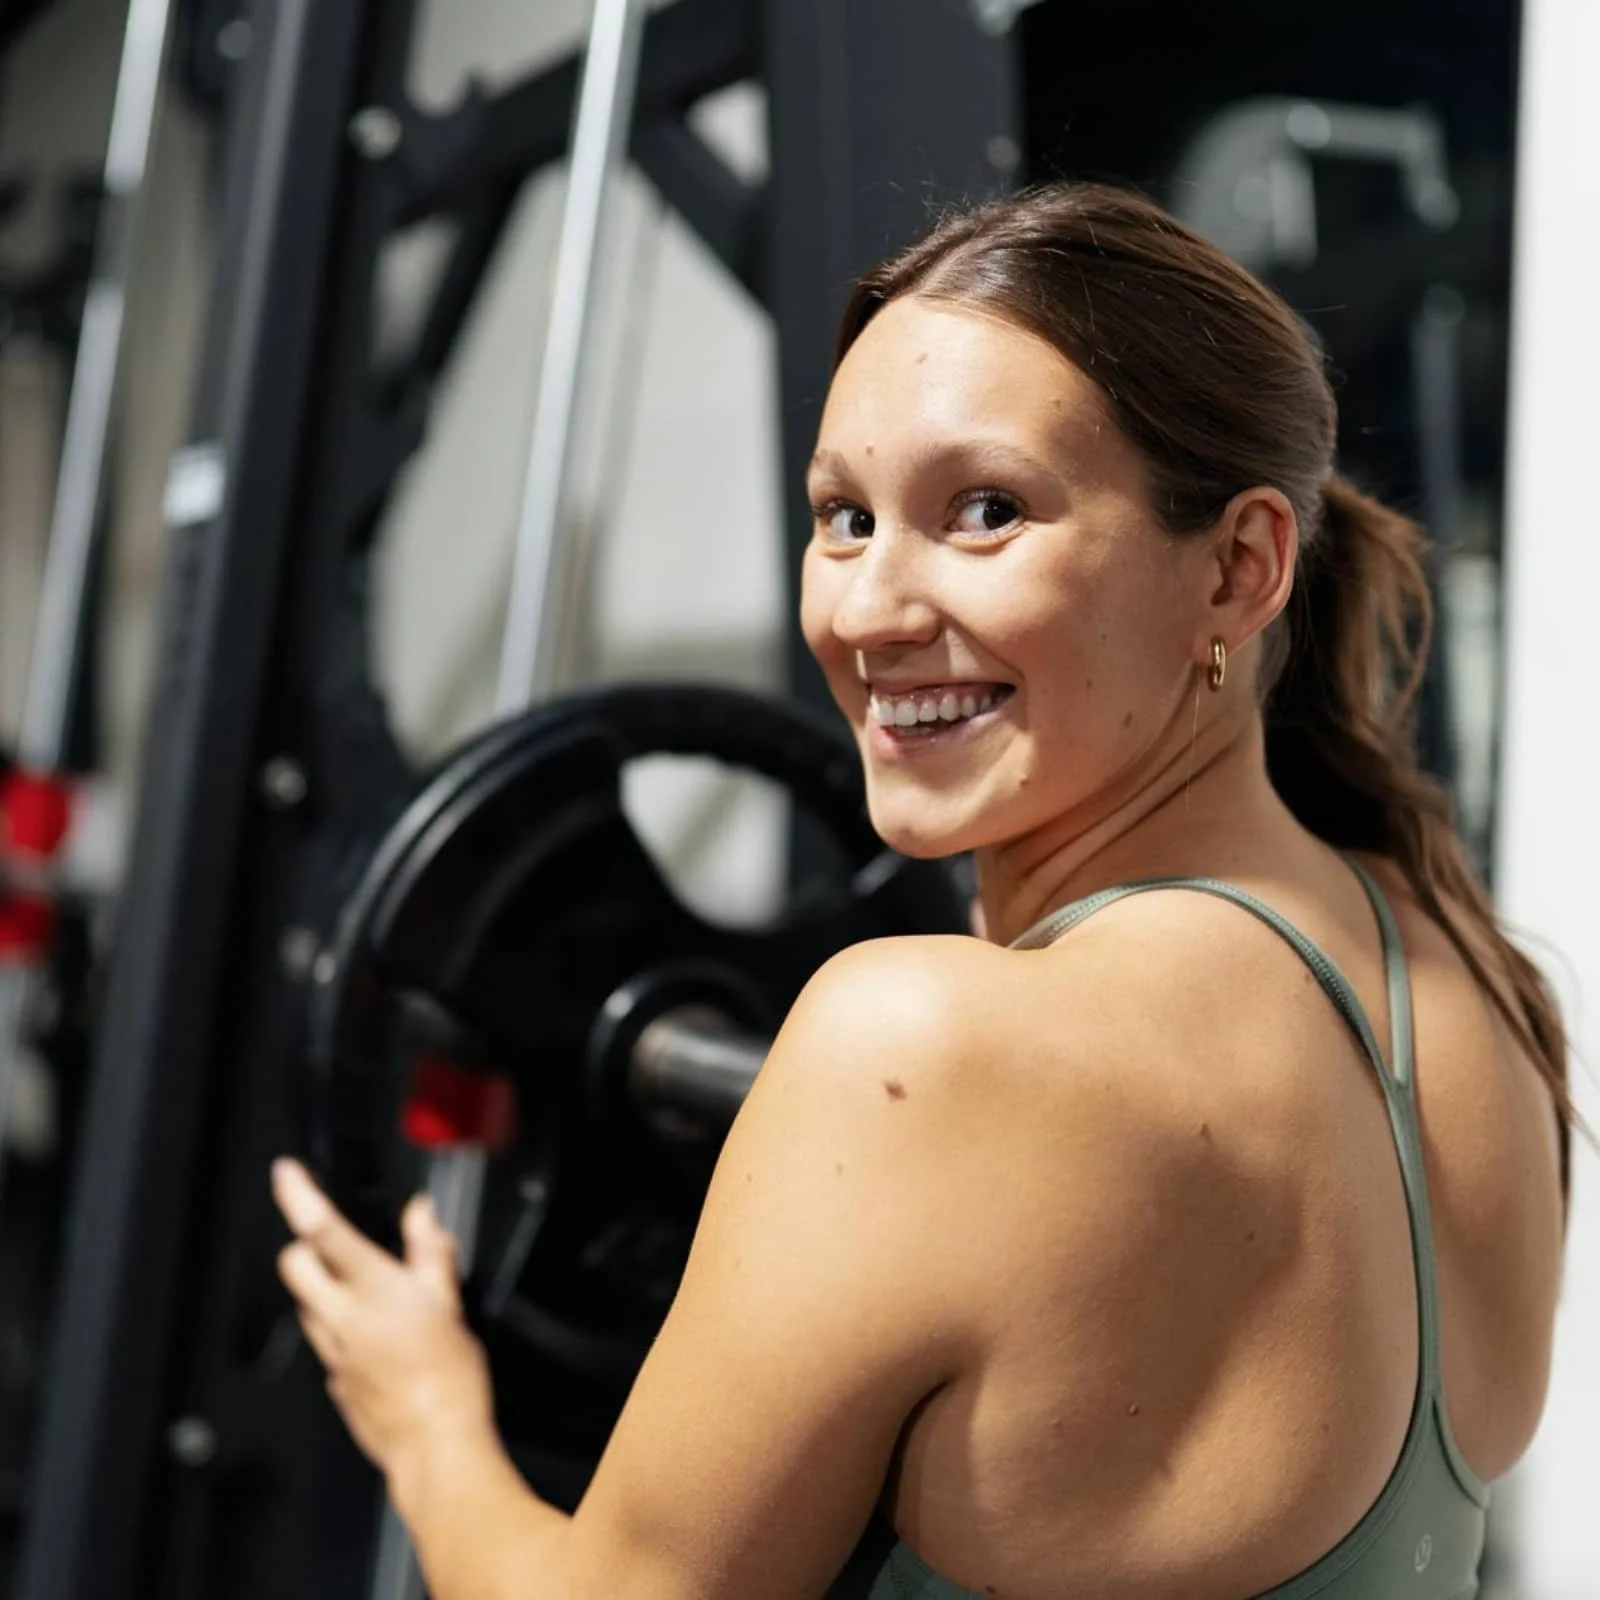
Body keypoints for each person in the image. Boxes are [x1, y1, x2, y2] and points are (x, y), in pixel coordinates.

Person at [272, 182, 1567, 1599]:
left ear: (1242, 566)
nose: (869, 611)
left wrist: (428, 1419)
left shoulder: (921, 1048)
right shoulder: (1451, 966)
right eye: (842, 515)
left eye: (986, 510)